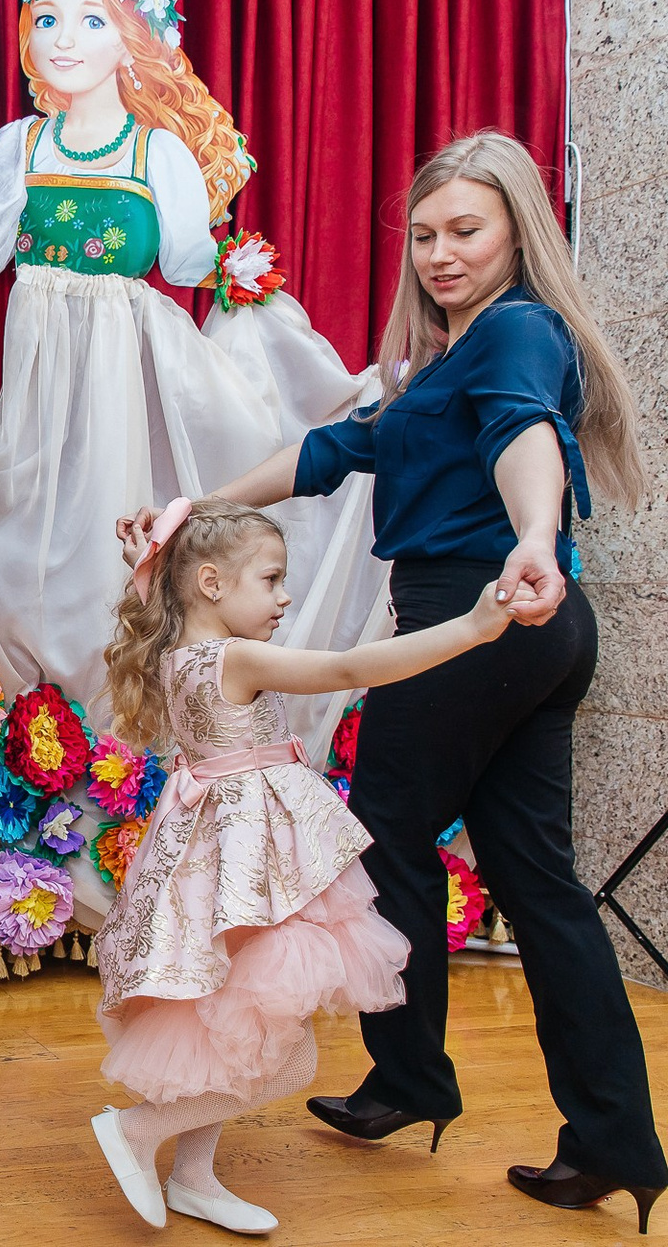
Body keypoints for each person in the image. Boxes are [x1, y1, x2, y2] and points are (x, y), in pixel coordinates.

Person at [131, 131, 666, 1232]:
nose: (439, 253)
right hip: (526, 627)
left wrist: (534, 533)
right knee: (541, 883)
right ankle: (613, 1139)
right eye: (423, 235)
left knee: (381, 838)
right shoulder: (447, 359)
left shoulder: (515, 331)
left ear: (519, 232)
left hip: (483, 612)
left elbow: (525, 434)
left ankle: (410, 1076)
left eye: (465, 230)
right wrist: (197, 510)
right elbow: (331, 451)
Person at [0, 0, 386, 755]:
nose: (64, 39)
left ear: (132, 38)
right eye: (48, 19)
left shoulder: (157, 151)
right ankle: (42, 739)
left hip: (125, 371)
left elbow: (189, 260)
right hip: (39, 374)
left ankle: (122, 741)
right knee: (31, 536)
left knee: (112, 535)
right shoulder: (20, 143)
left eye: (92, 20)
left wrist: (242, 281)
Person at [89, 497, 520, 1233]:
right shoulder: (236, 657)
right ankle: (138, 1130)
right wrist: (473, 629)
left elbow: (169, 594)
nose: (285, 596)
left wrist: (149, 563)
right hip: (249, 862)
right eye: (271, 579)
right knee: (284, 1059)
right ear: (211, 584)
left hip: (218, 858)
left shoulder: (178, 651)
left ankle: (193, 1176)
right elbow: (348, 667)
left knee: (227, 1021)